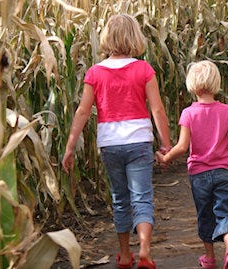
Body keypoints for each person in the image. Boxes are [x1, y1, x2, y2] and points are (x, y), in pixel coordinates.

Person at [62, 14, 171, 269]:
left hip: (110, 144)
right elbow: (157, 110)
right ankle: (144, 250)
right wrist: (165, 144)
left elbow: (82, 112)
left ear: (107, 38)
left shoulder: (95, 72)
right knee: (142, 197)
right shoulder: (144, 69)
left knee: (120, 198)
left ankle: (124, 255)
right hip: (139, 141)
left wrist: (70, 147)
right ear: (135, 37)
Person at [155, 60, 228, 269]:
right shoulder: (226, 110)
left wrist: (166, 158)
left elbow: (182, 146)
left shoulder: (189, 113)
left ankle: (210, 258)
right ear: (216, 83)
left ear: (191, 84)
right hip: (224, 171)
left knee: (205, 214)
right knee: (226, 211)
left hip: (200, 174)